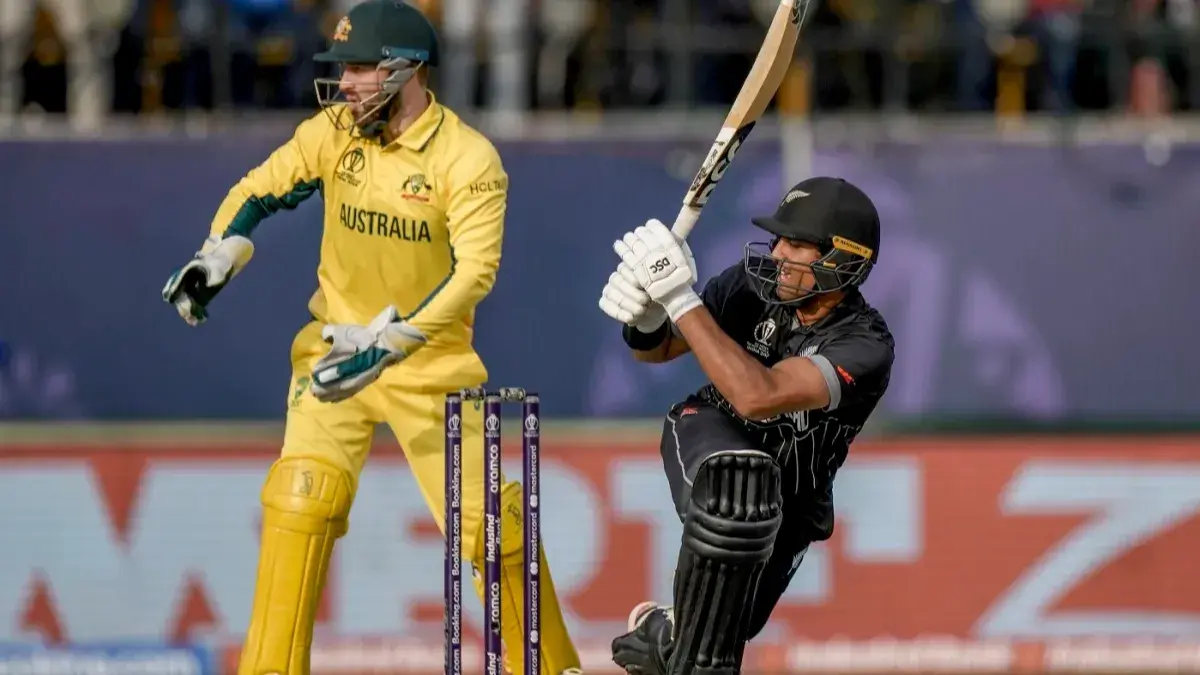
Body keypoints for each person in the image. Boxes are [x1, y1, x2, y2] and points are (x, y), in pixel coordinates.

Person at [160, 2, 582, 674]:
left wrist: (395, 341)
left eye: (359, 69)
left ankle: (556, 667)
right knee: (301, 497)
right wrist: (219, 251)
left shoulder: (468, 159)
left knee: (489, 529)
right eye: (342, 69)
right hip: (333, 352)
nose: (345, 83)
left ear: (407, 70)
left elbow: (475, 273)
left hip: (430, 365)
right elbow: (260, 189)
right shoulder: (335, 131)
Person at [597, 177, 895, 675]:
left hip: (793, 503)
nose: (777, 252)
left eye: (795, 243)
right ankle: (674, 637)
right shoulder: (752, 286)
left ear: (842, 259)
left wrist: (679, 297)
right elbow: (658, 349)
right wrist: (649, 315)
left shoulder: (864, 346)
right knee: (739, 485)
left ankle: (661, 638)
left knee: (707, 653)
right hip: (710, 432)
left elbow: (760, 396)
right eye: (777, 238)